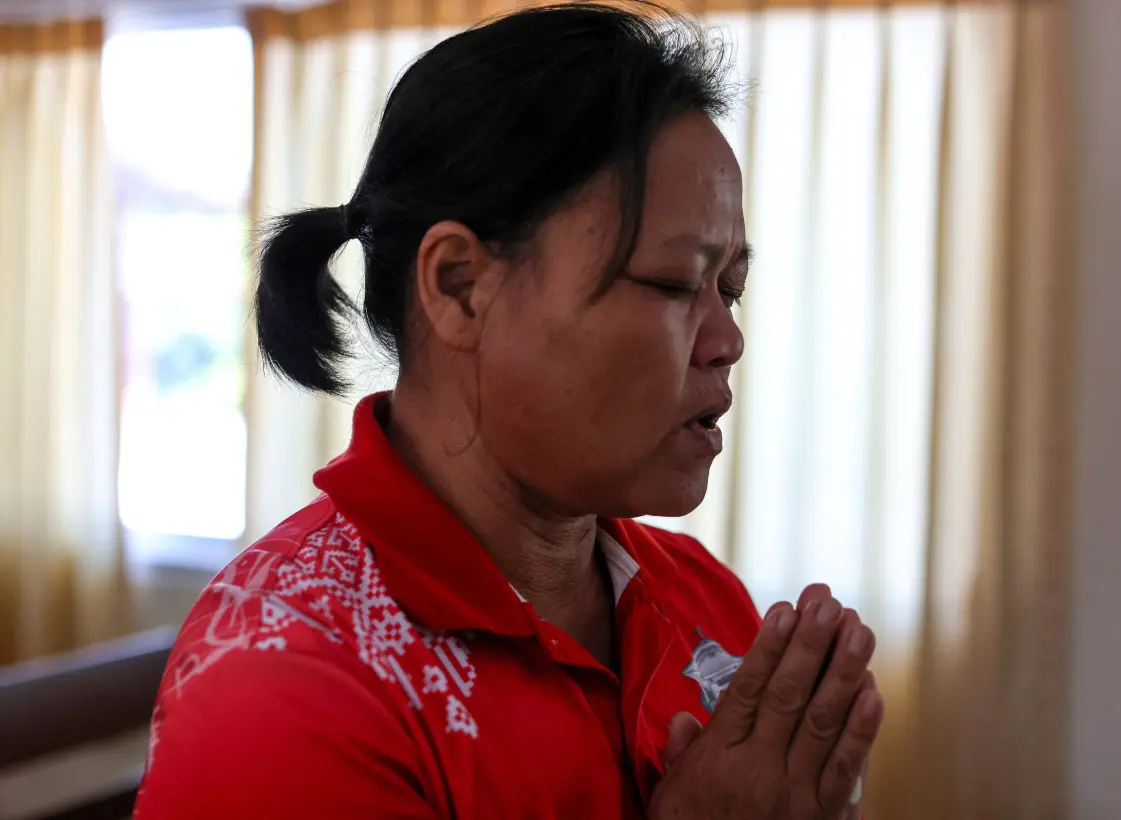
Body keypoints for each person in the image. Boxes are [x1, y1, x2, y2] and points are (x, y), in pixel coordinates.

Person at [134, 3, 883, 818]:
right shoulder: (282, 678)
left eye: (730, 290)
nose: (726, 340)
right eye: (673, 285)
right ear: (460, 285)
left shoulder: (697, 599)